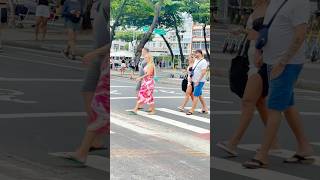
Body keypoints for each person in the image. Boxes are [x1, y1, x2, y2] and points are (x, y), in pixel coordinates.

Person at [243, 0, 314, 169]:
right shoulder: (276, 1)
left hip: (287, 64)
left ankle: (262, 155)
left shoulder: (300, 3)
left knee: (273, 106)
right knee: (287, 104)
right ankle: (304, 147)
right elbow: (267, 27)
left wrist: (283, 62)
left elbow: (300, 35)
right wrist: (261, 51)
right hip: (271, 62)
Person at [216, 0, 280, 157]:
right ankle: (274, 143)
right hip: (252, 60)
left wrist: (245, 32)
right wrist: (243, 30)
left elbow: (268, 35)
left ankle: (233, 143)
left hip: (262, 62)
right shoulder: (257, 9)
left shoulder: (270, 10)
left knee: (248, 101)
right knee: (259, 102)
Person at [130, 48, 156, 115]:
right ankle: (152, 110)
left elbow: (148, 74)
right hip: (146, 82)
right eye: (145, 57)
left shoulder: (150, 65)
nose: (145, 58)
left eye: (146, 57)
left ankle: (136, 109)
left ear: (149, 58)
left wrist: (140, 78)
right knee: (148, 97)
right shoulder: (148, 64)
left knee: (142, 94)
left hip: (149, 83)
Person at [186, 49, 209, 115]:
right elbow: (193, 70)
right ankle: (205, 108)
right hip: (194, 80)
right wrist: (190, 78)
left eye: (196, 53)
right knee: (199, 95)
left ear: (200, 53)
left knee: (195, 95)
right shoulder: (196, 60)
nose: (195, 55)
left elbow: (203, 72)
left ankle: (192, 110)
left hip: (199, 81)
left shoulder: (204, 61)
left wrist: (198, 81)